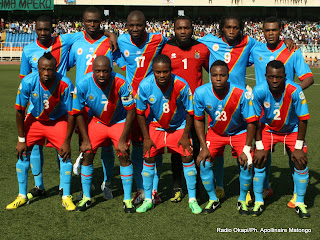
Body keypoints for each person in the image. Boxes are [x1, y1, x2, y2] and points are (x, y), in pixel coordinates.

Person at [198, 16, 294, 199]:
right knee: (216, 148)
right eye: (228, 27)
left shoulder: (250, 43)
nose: (232, 31)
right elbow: (187, 40)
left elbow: (269, 45)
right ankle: (219, 185)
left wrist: (286, 41)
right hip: (217, 102)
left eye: (235, 27)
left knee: (243, 148)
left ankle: (249, 189)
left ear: (241, 29)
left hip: (240, 104)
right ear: (221, 28)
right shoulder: (209, 40)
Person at [249, 16, 314, 203]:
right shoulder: (256, 49)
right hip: (263, 113)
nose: (271, 34)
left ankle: (296, 193)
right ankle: (265, 187)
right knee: (262, 154)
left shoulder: (291, 51)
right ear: (262, 31)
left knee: (295, 154)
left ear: (281, 30)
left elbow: (308, 77)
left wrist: (292, 94)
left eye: (274, 30)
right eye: (267, 30)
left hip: (288, 114)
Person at [6, 53, 76, 211]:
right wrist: (21, 139)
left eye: (50, 69)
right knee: (22, 154)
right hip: (35, 121)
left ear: (56, 69)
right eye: (43, 69)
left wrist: (67, 141)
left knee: (65, 155)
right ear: (37, 69)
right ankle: (22, 196)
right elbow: (19, 111)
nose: (46, 73)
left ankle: (66, 196)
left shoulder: (65, 83)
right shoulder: (28, 81)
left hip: (57, 121)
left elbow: (72, 113)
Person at [135, 54, 201, 214]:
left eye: (165, 72)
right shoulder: (145, 85)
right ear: (153, 71)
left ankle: (192, 199)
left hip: (178, 127)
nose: (162, 75)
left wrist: (185, 135)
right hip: (156, 127)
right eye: (158, 72)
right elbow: (140, 113)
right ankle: (149, 200)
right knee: (148, 156)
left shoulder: (181, 85)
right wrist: (146, 138)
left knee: (187, 156)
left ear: (171, 70)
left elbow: (190, 112)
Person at [68, 7, 122, 200]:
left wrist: (111, 34)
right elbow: (64, 65)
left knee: (107, 145)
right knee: (84, 142)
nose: (92, 24)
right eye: (88, 21)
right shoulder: (75, 42)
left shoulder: (110, 42)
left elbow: (123, 64)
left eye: (96, 21)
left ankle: (107, 182)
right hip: (83, 100)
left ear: (101, 22)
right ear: (82, 21)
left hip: (105, 100)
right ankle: (87, 184)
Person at [72, 56, 136, 212]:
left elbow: (131, 111)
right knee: (87, 153)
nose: (101, 75)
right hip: (98, 122)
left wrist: (123, 139)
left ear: (111, 70)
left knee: (124, 154)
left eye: (105, 71)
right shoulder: (83, 83)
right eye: (98, 71)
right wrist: (85, 139)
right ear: (93, 70)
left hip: (118, 122)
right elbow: (78, 112)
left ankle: (127, 199)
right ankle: (86, 197)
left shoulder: (121, 82)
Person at [194, 60, 258, 214]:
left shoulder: (241, 93)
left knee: (248, 162)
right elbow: (198, 120)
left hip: (239, 132)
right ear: (210, 76)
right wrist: (203, 147)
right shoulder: (201, 92)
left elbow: (251, 122)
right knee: (204, 162)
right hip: (216, 133)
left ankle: (242, 199)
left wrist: (247, 148)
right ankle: (213, 199)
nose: (218, 78)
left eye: (222, 75)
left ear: (228, 76)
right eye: (214, 75)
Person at [117, 10, 168, 205]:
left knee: (154, 144)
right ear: (126, 26)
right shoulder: (122, 40)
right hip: (133, 103)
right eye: (132, 25)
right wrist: (124, 67)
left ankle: (153, 190)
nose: (135, 29)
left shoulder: (158, 39)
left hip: (154, 101)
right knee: (137, 145)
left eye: (139, 25)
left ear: (146, 25)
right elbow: (115, 53)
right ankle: (141, 188)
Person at [252, 60, 310, 218]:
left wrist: (298, 147)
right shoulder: (259, 90)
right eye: (271, 77)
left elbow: (303, 118)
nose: (275, 80)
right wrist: (258, 146)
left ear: (285, 76)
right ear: (265, 77)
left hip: (292, 130)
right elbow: (255, 120)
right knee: (259, 159)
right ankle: (259, 201)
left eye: (279, 77)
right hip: (269, 130)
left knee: (300, 160)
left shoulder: (295, 90)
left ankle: (300, 201)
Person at [161, 16, 210, 203]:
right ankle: (176, 186)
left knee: (197, 146)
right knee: (176, 148)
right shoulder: (165, 48)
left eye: (186, 28)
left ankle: (196, 188)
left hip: (196, 108)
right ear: (174, 29)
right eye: (179, 28)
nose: (183, 31)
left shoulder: (202, 49)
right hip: (174, 106)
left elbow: (212, 72)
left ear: (192, 29)